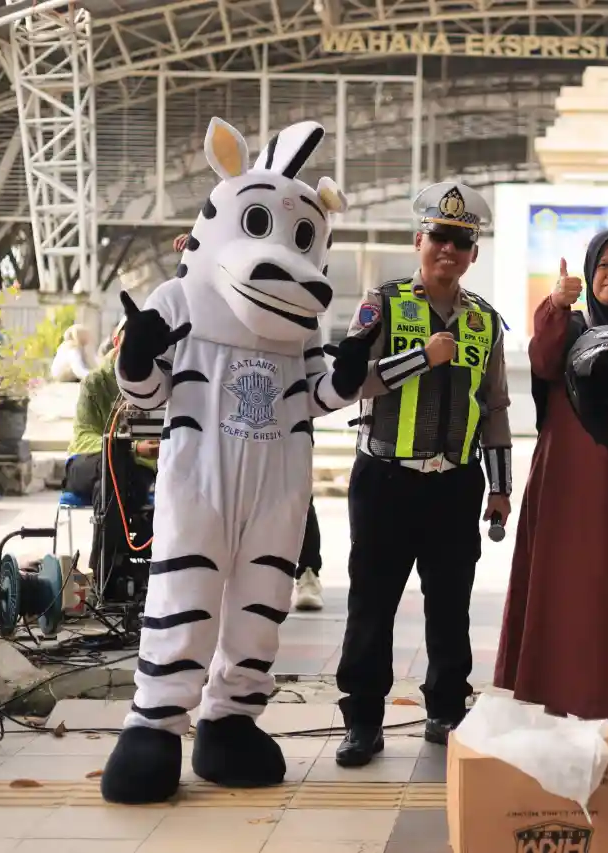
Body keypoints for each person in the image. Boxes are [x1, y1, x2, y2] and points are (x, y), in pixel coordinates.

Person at [100, 118, 364, 804]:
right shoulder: (183, 300)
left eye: (304, 239)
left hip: (278, 488)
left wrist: (355, 367)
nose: (285, 256)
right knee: (184, 596)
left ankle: (230, 718)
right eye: (259, 225)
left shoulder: (299, 327)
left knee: (260, 606)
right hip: (200, 479)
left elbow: (317, 394)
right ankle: (156, 721)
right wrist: (135, 354)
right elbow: (147, 389)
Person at [334, 181, 513, 766]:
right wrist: (419, 357)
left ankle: (446, 710)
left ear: (473, 255)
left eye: (461, 242)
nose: (448, 250)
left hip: (456, 485)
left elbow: (496, 409)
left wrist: (502, 488)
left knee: (450, 603)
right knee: (372, 603)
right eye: (439, 237)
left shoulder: (485, 322)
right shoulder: (382, 304)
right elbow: (347, 383)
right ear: (418, 240)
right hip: (386, 478)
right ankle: (363, 720)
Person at [494, 230, 608, 723]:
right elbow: (543, 360)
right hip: (564, 479)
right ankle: (558, 696)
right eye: (603, 266)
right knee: (561, 588)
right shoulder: (570, 326)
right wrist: (554, 304)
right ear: (589, 271)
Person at [172, 229, 325, 612]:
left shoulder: (290, 273)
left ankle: (306, 571)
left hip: (279, 411)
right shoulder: (205, 282)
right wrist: (194, 260)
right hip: (221, 421)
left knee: (290, 499)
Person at [63, 319, 158, 574]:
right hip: (86, 464)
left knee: (113, 478)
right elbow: (83, 436)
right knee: (114, 460)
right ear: (117, 342)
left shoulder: (157, 387)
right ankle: (111, 571)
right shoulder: (94, 383)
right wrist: (132, 448)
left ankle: (105, 570)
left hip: (130, 475)